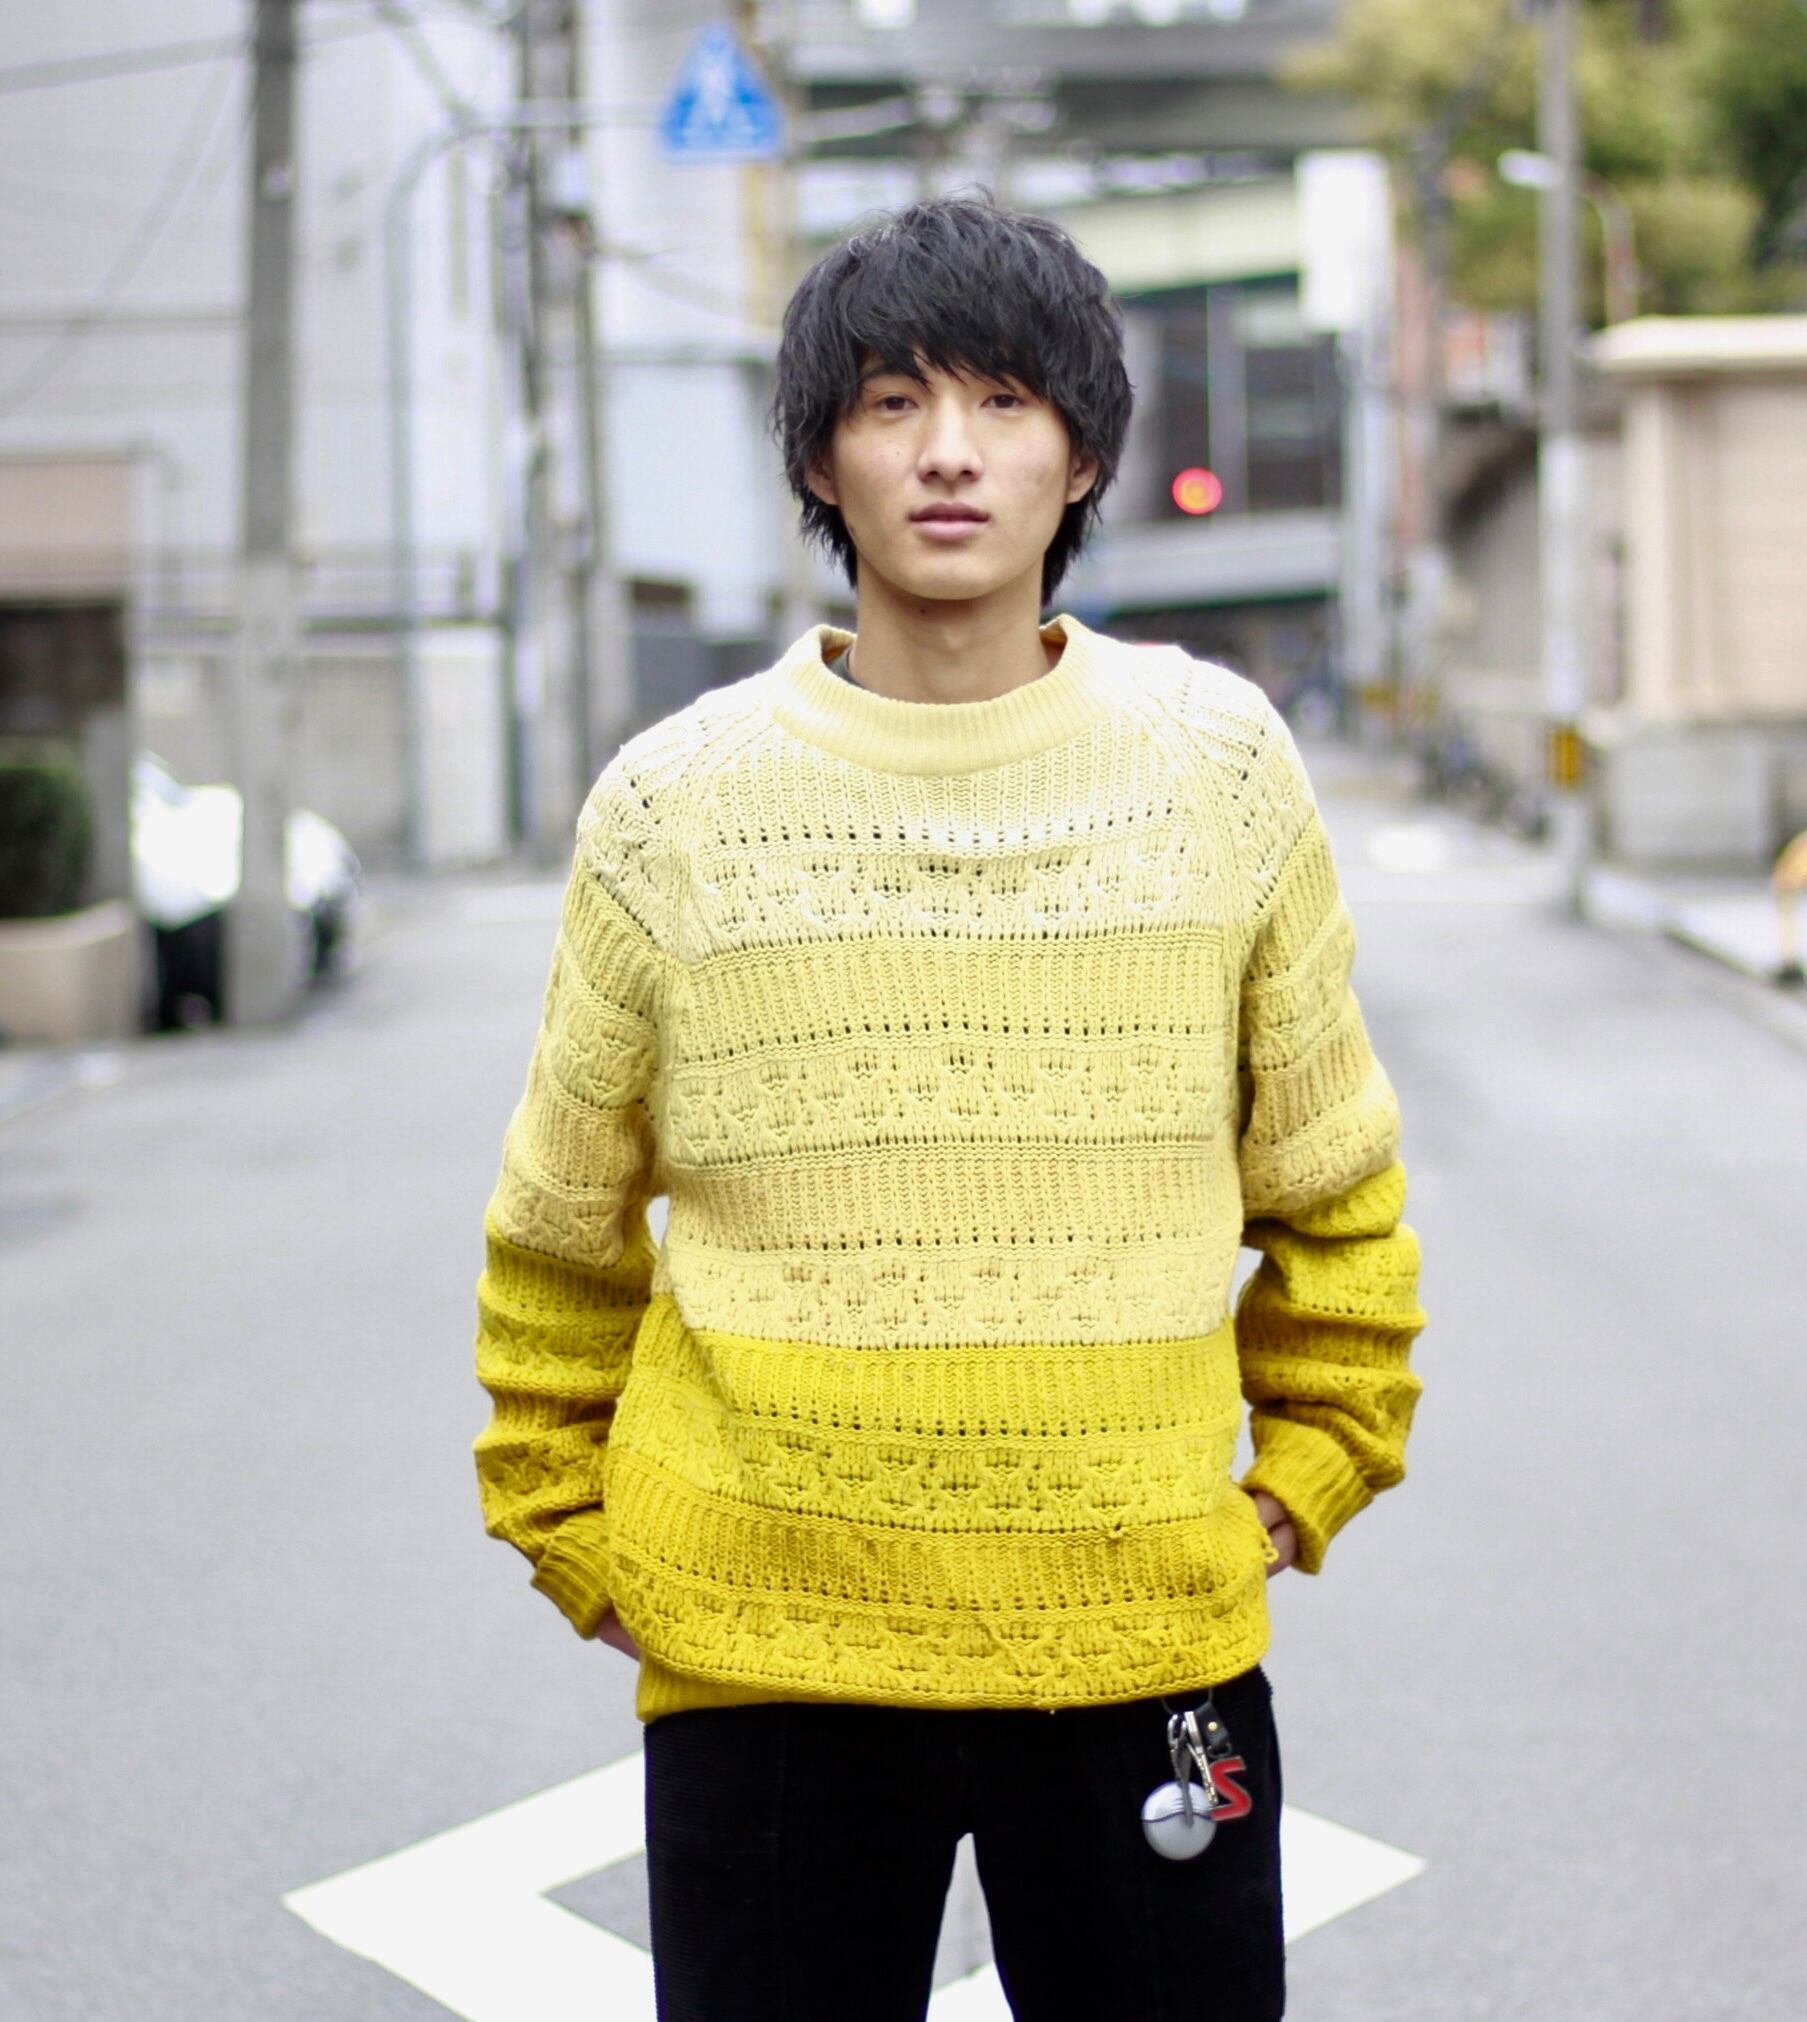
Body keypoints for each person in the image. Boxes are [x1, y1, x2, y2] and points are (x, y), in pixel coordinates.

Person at [470, 193, 1427, 2022]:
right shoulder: (674, 804)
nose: (949, 454)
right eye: (892, 403)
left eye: (1002, 402)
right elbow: (558, 1225)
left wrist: (1303, 1474)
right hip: (766, 1654)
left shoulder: (1216, 766)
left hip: (1141, 1637)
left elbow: (1333, 1189)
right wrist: (572, 1530)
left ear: (1084, 456)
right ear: (817, 458)